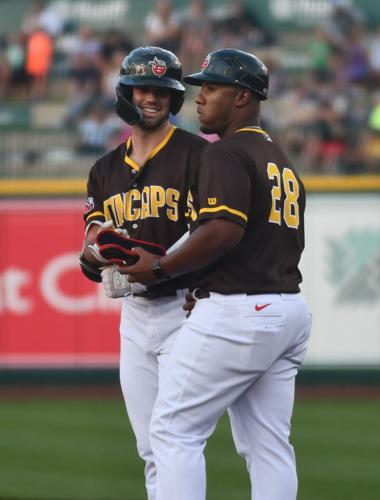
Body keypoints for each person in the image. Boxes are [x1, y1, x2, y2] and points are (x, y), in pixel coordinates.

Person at [118, 48, 312, 500]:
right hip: (289, 310)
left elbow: (223, 230)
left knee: (170, 428)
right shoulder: (279, 159)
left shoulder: (225, 152)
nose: (200, 96)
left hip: (242, 311)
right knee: (268, 446)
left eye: (212, 86)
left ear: (242, 97)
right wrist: (204, 279)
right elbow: (262, 239)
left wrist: (163, 268)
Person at [79, 46, 207, 500]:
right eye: (141, 89)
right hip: (133, 316)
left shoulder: (197, 155)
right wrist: (98, 253)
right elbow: (90, 250)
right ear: (125, 94)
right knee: (150, 447)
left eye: (161, 90)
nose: (150, 98)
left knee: (175, 438)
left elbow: (216, 234)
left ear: (174, 99)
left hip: (186, 309)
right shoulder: (104, 170)